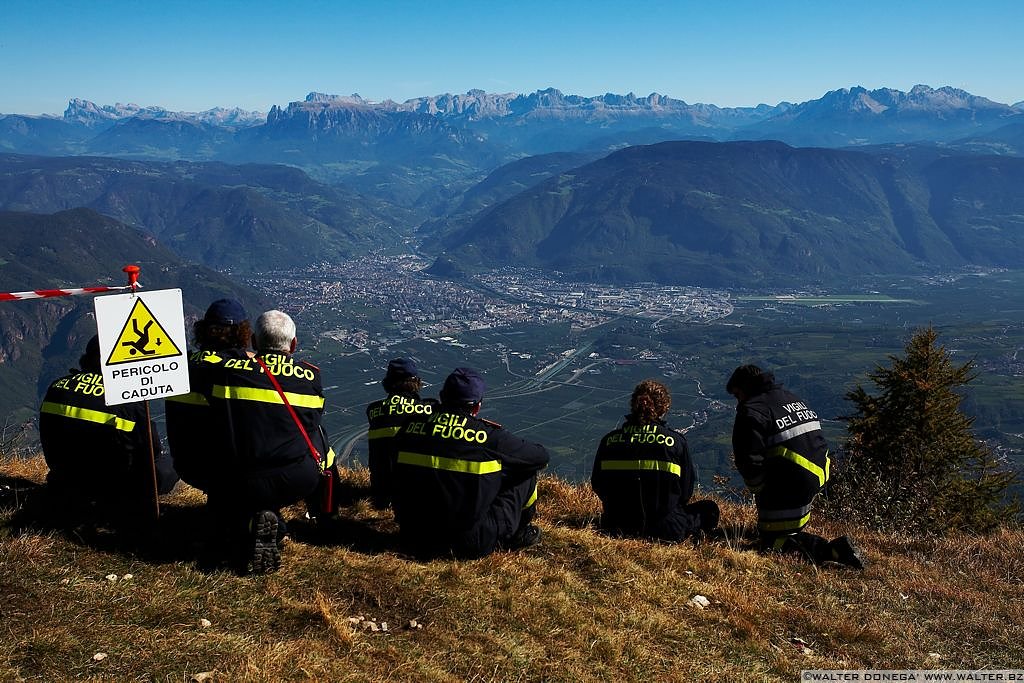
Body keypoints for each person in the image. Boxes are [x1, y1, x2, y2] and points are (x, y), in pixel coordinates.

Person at [200, 309, 336, 574]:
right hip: (297, 478)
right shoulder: (311, 378)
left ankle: (257, 524)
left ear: (252, 341)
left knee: (235, 503)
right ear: (294, 345)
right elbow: (312, 423)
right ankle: (317, 517)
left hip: (242, 476)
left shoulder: (229, 372)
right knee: (318, 436)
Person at [392, 367, 549, 559]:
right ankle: (517, 534)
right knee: (525, 471)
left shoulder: (410, 427)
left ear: (442, 396)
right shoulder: (488, 438)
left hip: (413, 535)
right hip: (470, 543)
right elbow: (540, 456)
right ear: (477, 406)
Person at [727, 364, 864, 569]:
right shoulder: (789, 398)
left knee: (771, 543)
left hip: (793, 481)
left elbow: (748, 459)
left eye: (737, 395)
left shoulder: (752, 411)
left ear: (744, 388)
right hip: (816, 473)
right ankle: (791, 531)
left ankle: (832, 550)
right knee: (786, 529)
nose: (738, 402)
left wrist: (758, 489)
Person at [38, 334, 178, 525]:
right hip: (112, 487)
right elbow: (150, 451)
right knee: (167, 465)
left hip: (64, 477)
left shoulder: (57, 387)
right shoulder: (126, 399)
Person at [592, 379, 719, 541]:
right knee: (709, 509)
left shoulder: (609, 440)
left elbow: (598, 483)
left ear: (633, 405)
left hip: (615, 524)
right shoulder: (675, 442)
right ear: (664, 408)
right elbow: (685, 492)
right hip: (667, 529)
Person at [165, 298, 251, 494]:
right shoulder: (240, 372)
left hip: (187, 465)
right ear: (242, 333)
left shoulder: (179, 367)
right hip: (230, 467)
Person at [365, 358, 439, 509]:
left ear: (387, 383)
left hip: (381, 490)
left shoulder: (373, 410)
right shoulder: (430, 409)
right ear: (416, 383)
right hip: (417, 490)